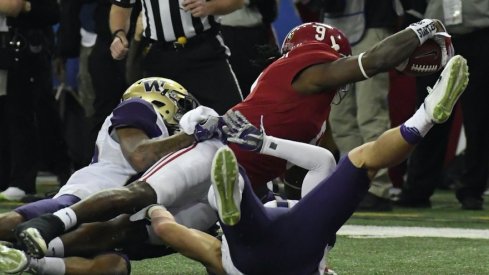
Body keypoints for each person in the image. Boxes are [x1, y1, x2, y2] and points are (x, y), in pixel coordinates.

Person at [14, 18, 454, 257]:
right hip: (218, 152)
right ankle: (47, 225)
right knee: (139, 197)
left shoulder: (313, 107)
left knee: (132, 234)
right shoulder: (310, 70)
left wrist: (309, 210)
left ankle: (40, 254)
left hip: (240, 183)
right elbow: (373, 60)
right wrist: (423, 27)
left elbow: (317, 165)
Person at [149, 55, 469, 274]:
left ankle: (231, 196)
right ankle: (425, 116)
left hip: (256, 256)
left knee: (358, 164)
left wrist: (156, 214)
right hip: (298, 244)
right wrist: (263, 144)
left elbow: (167, 228)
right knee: (357, 162)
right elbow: (322, 161)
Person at [0, 77, 200, 242]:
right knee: (33, 219)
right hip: (92, 192)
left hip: (116, 210)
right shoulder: (137, 107)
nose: (183, 115)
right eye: (181, 105)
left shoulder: (159, 131)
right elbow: (139, 157)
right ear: (159, 98)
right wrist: (191, 135)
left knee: (114, 265)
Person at [399, 0, 489, 210]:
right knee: (428, 114)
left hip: (481, 33)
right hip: (436, 37)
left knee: (480, 119)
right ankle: (418, 188)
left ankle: (472, 190)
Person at [325, 0, 403, 211]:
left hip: (372, 24)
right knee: (340, 116)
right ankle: (351, 183)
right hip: (334, 28)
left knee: (371, 113)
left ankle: (378, 188)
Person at [109, 0, 244, 115]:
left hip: (204, 52)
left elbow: (237, 2)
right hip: (159, 57)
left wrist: (209, 7)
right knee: (159, 128)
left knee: (232, 119)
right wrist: (118, 34)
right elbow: (120, 8)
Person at [0, 0, 60, 201]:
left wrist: (25, 7)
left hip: (21, 50)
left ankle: (21, 181)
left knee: (20, 115)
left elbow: (52, 12)